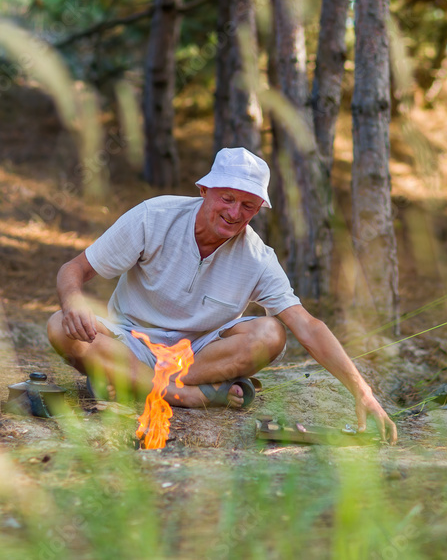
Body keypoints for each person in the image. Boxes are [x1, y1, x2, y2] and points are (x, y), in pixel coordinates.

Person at [47, 147, 397, 442]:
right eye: (227, 198)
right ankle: (180, 396)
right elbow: (73, 270)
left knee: (271, 332)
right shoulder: (153, 217)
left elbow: (307, 326)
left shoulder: (258, 257)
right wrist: (74, 301)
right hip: (129, 342)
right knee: (60, 326)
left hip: (199, 357)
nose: (234, 213)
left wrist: (362, 391)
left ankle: (129, 383)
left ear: (259, 208)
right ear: (204, 190)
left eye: (248, 206)